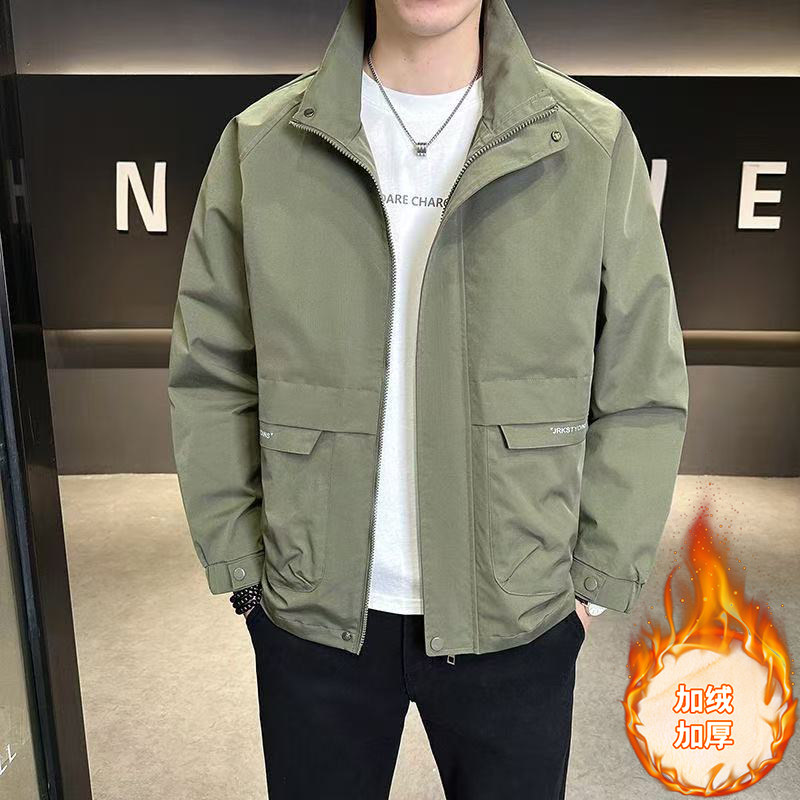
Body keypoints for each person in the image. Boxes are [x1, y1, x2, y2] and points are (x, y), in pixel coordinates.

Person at [167, 0, 689, 797]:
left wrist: (592, 583)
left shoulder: (589, 142)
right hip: (312, 615)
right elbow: (212, 370)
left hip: (518, 616)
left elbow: (642, 380)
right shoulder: (262, 143)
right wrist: (244, 574)